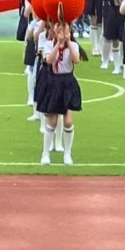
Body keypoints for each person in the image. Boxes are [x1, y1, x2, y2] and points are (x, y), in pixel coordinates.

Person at [38, 20, 82, 166]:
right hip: (54, 83)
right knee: (52, 120)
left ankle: (67, 153)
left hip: (68, 83)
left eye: (65, 27)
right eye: (58, 27)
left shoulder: (73, 45)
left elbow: (76, 60)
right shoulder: (48, 44)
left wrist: (68, 42)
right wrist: (58, 44)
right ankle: (45, 153)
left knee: (68, 122)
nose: (61, 30)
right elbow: (49, 60)